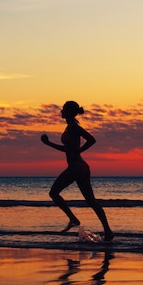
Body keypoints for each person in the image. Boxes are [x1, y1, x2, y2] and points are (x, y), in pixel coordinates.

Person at [41, 101, 114, 241]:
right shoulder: (69, 127)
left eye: (63, 109)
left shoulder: (74, 127)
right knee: (91, 201)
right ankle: (108, 231)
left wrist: (79, 151)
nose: (61, 111)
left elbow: (92, 140)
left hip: (76, 167)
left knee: (54, 193)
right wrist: (49, 144)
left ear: (68, 112)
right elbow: (67, 149)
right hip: (80, 167)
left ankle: (74, 219)